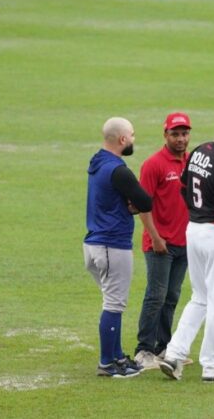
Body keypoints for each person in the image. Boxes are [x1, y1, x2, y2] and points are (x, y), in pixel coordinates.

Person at [159, 110, 214, 383]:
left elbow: (184, 187)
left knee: (200, 297)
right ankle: (212, 366)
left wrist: (199, 211)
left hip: (195, 230)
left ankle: (174, 354)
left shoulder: (200, 151)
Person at [84, 117, 153, 378]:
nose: (134, 139)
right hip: (112, 245)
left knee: (113, 302)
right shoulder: (119, 170)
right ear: (122, 139)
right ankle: (107, 363)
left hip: (93, 243)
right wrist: (133, 204)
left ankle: (117, 356)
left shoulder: (97, 162)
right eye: (132, 135)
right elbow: (146, 202)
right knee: (114, 304)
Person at [133, 112, 191, 370]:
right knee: (155, 295)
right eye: (175, 134)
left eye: (184, 134)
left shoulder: (191, 161)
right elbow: (142, 205)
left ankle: (164, 347)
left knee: (172, 296)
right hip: (160, 243)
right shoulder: (153, 164)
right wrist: (155, 237)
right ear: (165, 135)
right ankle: (143, 349)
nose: (180, 139)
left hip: (185, 242)